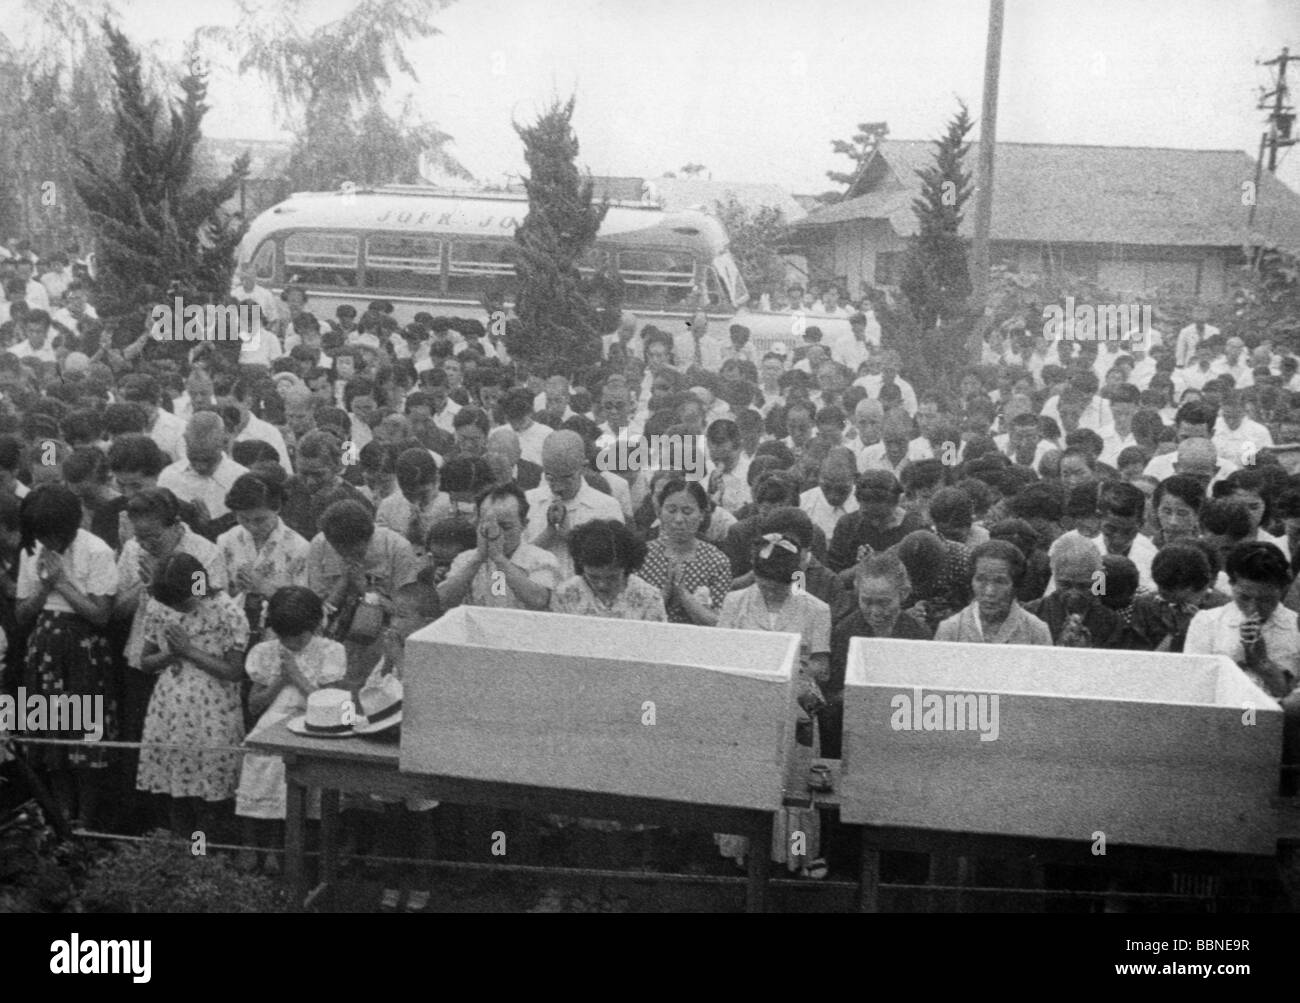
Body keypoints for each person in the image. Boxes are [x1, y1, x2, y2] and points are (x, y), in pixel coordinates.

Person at [717, 524, 831, 877]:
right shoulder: (736, 602)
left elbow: (822, 667)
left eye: (780, 581)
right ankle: (742, 853)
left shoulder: (815, 609)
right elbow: (720, 653)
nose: (771, 587)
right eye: (765, 579)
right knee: (745, 778)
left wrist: (796, 664)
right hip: (747, 703)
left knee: (795, 786)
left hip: (796, 703)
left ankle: (797, 855)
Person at [15, 484, 118, 828]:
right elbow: (21, 615)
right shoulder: (32, 551)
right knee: (52, 740)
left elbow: (101, 615)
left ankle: (86, 822)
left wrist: (60, 583)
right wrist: (44, 585)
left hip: (83, 653)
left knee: (83, 742)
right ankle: (62, 816)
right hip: (44, 649)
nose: (48, 540)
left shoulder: (96, 550)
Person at [135, 552, 249, 836]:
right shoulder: (159, 608)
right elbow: (145, 662)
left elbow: (234, 671)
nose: (178, 609)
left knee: (208, 794)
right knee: (176, 791)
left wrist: (188, 651)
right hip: (169, 709)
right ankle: (182, 852)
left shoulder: (227, 612)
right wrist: (169, 654)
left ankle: (203, 854)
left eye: (182, 602)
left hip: (213, 710)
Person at [235, 586, 347, 873]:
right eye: (284, 636)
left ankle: (281, 850)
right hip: (271, 724)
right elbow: (254, 706)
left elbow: (328, 705)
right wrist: (278, 681)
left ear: (313, 625)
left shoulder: (330, 651)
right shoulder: (265, 652)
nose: (291, 642)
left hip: (311, 724)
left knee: (289, 780)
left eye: (297, 636)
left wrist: (297, 676)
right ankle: (251, 845)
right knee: (260, 763)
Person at [825, 552, 932, 757]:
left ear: (904, 594)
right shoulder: (844, 631)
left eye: (883, 602)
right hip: (854, 724)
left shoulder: (918, 633)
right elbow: (832, 694)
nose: (874, 611)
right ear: (857, 593)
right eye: (866, 601)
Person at [308, 499, 420, 686]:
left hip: (381, 634)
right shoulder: (319, 544)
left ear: (368, 537)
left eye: (355, 550)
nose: (346, 555)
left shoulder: (397, 548)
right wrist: (344, 581)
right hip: (332, 630)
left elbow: (406, 613)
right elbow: (317, 608)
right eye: (339, 551)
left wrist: (366, 591)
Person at [216, 473, 310, 645]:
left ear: (277, 508)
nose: (252, 526)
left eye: (260, 520)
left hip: (278, 634)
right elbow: (209, 590)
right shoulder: (226, 540)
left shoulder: (299, 548)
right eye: (243, 519)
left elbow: (305, 609)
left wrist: (265, 589)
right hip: (229, 629)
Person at [437, 483, 558, 611]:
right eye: (488, 526)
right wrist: (478, 559)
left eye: (505, 527)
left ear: (523, 524)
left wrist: (499, 559)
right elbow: (443, 600)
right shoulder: (465, 559)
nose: (497, 533)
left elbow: (539, 600)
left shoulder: (542, 559)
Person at [524, 430, 624, 579]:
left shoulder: (606, 506)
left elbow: (613, 563)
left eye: (567, 478)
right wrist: (548, 534)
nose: (558, 487)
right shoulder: (528, 501)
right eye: (550, 478)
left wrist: (570, 537)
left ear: (583, 467)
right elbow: (514, 559)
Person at [637, 479, 731, 626]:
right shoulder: (642, 556)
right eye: (671, 510)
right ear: (659, 512)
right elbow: (633, 617)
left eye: (687, 511)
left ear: (701, 514)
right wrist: (665, 593)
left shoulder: (717, 561)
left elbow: (720, 622)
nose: (679, 519)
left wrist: (683, 594)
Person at [936, 540, 1053, 644]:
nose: (989, 591)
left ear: (1015, 585)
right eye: (981, 579)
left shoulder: (1036, 631)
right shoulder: (950, 630)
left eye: (1000, 582)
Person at [549, 519, 666, 620]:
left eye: (612, 577)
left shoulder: (649, 597)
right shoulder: (564, 594)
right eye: (593, 577)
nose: (602, 585)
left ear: (626, 568)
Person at [1025, 534, 1125, 647]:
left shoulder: (1113, 623)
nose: (1074, 594)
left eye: (1083, 586)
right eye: (1065, 585)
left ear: (1098, 580)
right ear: (1055, 577)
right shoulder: (1031, 614)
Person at [1127, 544, 1228, 652]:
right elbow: (1140, 660)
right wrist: (1175, 633)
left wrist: (1198, 626)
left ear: (1197, 587)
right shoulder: (1146, 605)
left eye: (1172, 593)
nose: (1162, 594)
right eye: (1161, 587)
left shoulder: (1223, 610)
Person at [157, 411, 249, 522]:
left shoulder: (241, 479)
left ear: (222, 442)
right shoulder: (169, 477)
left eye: (207, 458)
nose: (200, 466)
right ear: (185, 441)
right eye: (194, 457)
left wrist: (212, 527)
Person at [826, 470, 925, 572]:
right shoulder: (847, 525)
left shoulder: (916, 528)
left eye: (881, 517)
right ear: (859, 503)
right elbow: (835, 576)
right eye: (867, 516)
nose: (875, 523)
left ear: (896, 504)